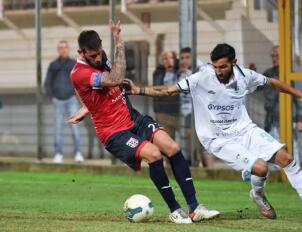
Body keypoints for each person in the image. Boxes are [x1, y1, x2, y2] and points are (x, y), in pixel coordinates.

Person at [124, 43, 302, 220]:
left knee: (286, 158)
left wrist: (300, 94)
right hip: (217, 139)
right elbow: (169, 90)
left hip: (245, 130)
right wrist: (139, 90)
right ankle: (258, 195)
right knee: (262, 169)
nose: (218, 72)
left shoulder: (245, 76)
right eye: (216, 67)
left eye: (223, 67)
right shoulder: (202, 77)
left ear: (234, 63)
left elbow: (272, 82)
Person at [68, 20, 219, 223]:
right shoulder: (79, 73)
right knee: (154, 155)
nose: (97, 58)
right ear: (81, 52)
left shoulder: (100, 56)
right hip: (114, 133)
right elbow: (114, 79)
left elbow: (104, 89)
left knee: (172, 147)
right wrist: (119, 42)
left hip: (133, 118)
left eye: (99, 53)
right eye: (92, 55)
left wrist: (88, 107)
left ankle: (194, 208)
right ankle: (175, 210)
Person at [262, 46, 302, 167]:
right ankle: (277, 178)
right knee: (272, 151)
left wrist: (300, 119)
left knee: (291, 151)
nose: (274, 58)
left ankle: (295, 177)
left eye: (277, 56)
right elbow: (257, 86)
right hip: (271, 119)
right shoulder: (269, 73)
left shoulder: (290, 74)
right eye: (273, 56)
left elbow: (300, 97)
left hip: (287, 120)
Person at [44, 40, 84, 164]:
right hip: (58, 101)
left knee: (75, 128)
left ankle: (78, 153)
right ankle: (58, 154)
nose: (63, 50)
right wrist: (52, 96)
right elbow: (47, 83)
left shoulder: (74, 64)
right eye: (60, 48)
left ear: (68, 49)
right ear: (58, 50)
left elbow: (80, 81)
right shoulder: (53, 65)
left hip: (71, 99)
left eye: (65, 47)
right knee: (58, 128)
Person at [178, 47, 214, 168]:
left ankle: (209, 170)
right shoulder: (181, 71)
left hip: (200, 110)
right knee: (189, 137)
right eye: (182, 58)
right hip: (186, 111)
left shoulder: (201, 69)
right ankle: (195, 163)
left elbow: (197, 84)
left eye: (187, 57)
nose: (184, 60)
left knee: (203, 141)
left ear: (193, 58)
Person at [153, 50, 180, 140]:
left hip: (179, 113)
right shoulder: (158, 73)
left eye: (171, 58)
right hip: (164, 114)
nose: (168, 61)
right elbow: (155, 92)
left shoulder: (180, 71)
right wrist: (157, 111)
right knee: (168, 142)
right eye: (165, 59)